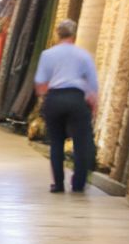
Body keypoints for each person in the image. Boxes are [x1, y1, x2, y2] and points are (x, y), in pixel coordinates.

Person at [34, 18, 98, 193]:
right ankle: (78, 184)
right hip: (77, 99)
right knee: (81, 143)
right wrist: (93, 107)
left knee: (56, 143)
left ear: (57, 34)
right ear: (74, 35)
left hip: (55, 98)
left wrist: (46, 98)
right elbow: (92, 86)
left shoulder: (47, 55)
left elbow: (40, 84)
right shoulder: (84, 55)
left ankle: (58, 184)